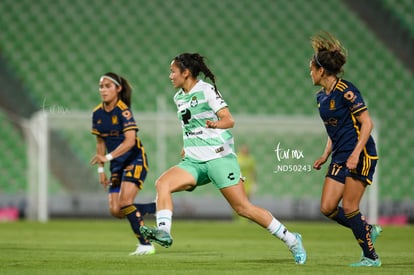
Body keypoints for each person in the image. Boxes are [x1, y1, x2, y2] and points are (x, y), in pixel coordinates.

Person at [140, 53, 306, 264]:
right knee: (162, 183)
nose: (170, 75)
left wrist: (216, 124)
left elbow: (229, 120)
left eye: (173, 71)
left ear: (186, 73)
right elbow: (191, 126)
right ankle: (164, 232)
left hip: (219, 158)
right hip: (194, 161)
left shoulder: (207, 90)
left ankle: (292, 240)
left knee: (243, 208)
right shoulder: (178, 97)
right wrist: (187, 145)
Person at [309, 31, 382, 267]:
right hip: (341, 154)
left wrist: (355, 154)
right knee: (328, 208)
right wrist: (325, 154)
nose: (309, 72)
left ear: (321, 70)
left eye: (311, 68)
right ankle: (367, 228)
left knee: (350, 207)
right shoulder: (321, 98)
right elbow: (335, 129)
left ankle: (371, 257)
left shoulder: (347, 90)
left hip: (360, 154)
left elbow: (367, 123)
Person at [90, 72, 155, 256]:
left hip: (135, 159)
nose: (103, 90)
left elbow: (130, 141)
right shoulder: (97, 113)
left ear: (118, 89)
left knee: (126, 202)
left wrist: (107, 158)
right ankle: (154, 208)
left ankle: (146, 245)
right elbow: (100, 142)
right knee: (116, 210)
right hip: (116, 164)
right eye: (101, 86)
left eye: (107, 86)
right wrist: (101, 170)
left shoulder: (123, 110)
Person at [234, 144, 257, 221]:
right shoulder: (236, 157)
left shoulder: (250, 159)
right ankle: (236, 218)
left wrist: (254, 183)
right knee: (236, 200)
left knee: (246, 201)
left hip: (247, 183)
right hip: (238, 181)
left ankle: (245, 220)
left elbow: (253, 171)